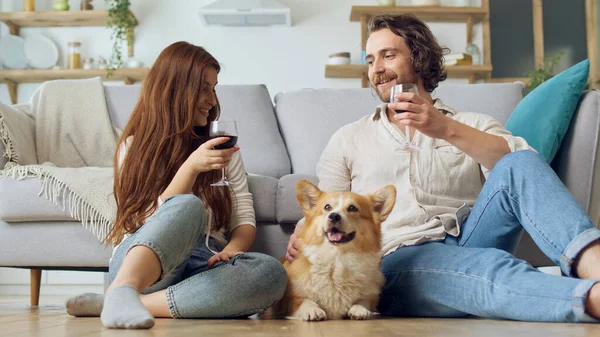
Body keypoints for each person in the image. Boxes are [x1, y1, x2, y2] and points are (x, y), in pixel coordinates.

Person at [286, 14, 600, 323]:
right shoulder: (348, 138)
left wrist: (446, 129)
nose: (376, 69)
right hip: (401, 257)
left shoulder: (471, 124)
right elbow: (326, 211)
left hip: (474, 236)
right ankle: (591, 299)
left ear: (419, 56)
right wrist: (303, 231)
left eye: (388, 55)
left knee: (518, 160)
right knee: (488, 267)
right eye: (370, 60)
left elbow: (525, 172)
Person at [66, 41, 287, 329]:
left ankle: (120, 300)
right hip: (143, 264)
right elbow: (147, 222)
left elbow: (243, 215)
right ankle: (127, 289)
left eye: (214, 88)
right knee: (186, 206)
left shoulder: (221, 147)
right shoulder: (134, 147)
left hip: (203, 266)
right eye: (204, 88)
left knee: (271, 273)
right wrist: (191, 167)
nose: (212, 99)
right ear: (175, 89)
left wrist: (232, 249)